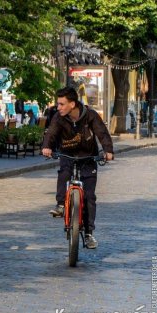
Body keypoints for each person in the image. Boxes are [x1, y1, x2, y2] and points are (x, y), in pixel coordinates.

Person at [42, 87, 114, 249]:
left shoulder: (90, 115)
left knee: (89, 196)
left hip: (88, 157)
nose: (58, 107)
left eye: (62, 104)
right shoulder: (58, 118)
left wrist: (108, 151)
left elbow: (102, 133)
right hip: (67, 154)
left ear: (72, 104)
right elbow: (51, 133)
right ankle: (61, 205)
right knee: (64, 172)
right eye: (58, 104)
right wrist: (47, 147)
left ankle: (88, 234)